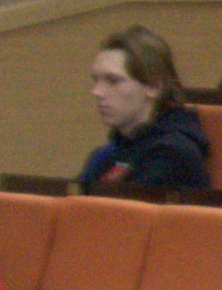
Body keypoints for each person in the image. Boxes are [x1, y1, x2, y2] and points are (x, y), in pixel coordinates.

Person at [75, 28, 209, 198]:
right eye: (96, 80)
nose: (97, 92)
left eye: (113, 81)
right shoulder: (107, 153)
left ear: (153, 86)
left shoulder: (172, 155)